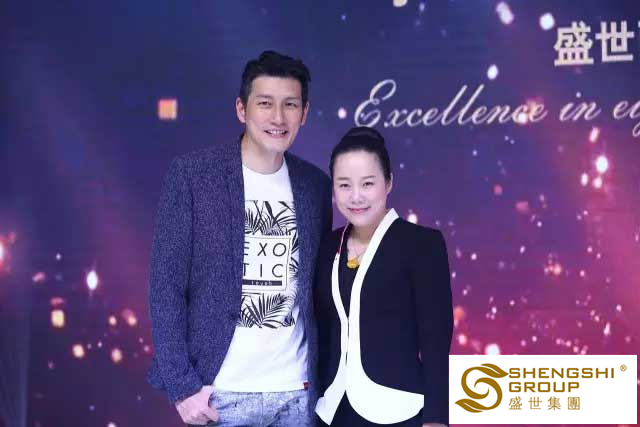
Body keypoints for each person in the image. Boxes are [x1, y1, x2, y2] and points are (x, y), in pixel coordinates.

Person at [148, 50, 332, 426]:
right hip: (219, 394)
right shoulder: (193, 176)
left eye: (290, 104)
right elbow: (165, 286)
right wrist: (181, 386)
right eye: (265, 103)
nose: (278, 117)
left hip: (297, 395)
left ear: (304, 113)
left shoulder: (314, 186)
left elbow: (316, 291)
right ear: (241, 109)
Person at [314, 127, 453, 427]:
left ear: (388, 182)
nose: (356, 196)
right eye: (344, 185)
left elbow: (436, 340)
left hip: (398, 411)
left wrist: (437, 418)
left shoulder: (421, 244)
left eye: (368, 183)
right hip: (332, 410)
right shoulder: (326, 246)